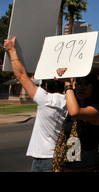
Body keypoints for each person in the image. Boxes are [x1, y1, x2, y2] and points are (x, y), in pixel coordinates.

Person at [3, 37, 67, 172]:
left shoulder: (46, 99)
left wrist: (12, 50)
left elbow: (21, 76)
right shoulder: (70, 101)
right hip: (59, 155)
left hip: (45, 159)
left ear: (46, 86)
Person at [52, 69, 99, 172]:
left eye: (86, 85)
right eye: (79, 83)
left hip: (88, 168)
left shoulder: (96, 110)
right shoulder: (74, 108)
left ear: (94, 89)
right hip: (68, 167)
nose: (81, 87)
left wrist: (67, 83)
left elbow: (75, 112)